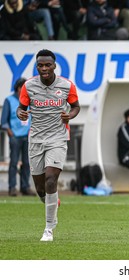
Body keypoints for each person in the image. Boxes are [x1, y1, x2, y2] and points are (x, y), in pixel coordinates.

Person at [16, 49, 80, 241]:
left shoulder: (67, 86)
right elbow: (22, 108)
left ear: (54, 66)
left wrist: (71, 115)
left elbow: (76, 106)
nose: (44, 68)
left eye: (47, 65)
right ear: (37, 67)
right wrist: (21, 113)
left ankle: (49, 229)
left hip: (58, 138)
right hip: (36, 139)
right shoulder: (28, 86)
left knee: (51, 180)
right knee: (41, 188)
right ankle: (51, 200)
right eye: (40, 65)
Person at [1, 77, 35, 197]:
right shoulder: (9, 100)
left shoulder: (29, 101)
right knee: (14, 163)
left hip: (27, 137)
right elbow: (3, 121)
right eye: (25, 88)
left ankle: (25, 188)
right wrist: (10, 132)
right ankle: (12, 188)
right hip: (15, 137)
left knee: (27, 163)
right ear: (19, 88)